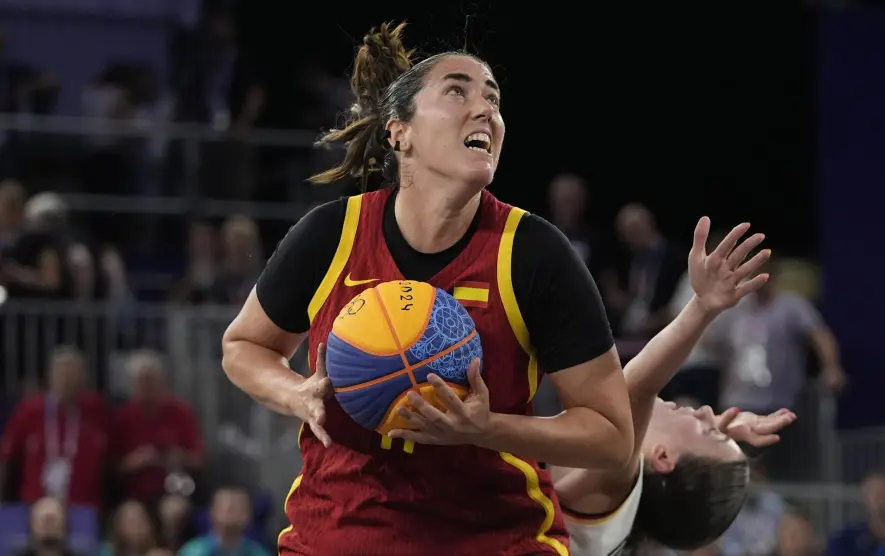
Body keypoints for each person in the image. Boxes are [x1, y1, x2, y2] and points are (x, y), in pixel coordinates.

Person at [221, 22, 633, 556]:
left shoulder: (532, 252)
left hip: (493, 540)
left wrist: (487, 428)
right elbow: (243, 346)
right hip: (340, 535)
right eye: (458, 91)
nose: (485, 110)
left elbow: (612, 437)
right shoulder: (332, 234)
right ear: (400, 132)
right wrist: (295, 393)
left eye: (493, 99)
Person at [553, 217, 796, 554]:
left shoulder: (613, 484)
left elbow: (635, 389)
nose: (705, 412)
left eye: (707, 430)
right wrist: (719, 429)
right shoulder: (615, 519)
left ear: (664, 457)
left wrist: (703, 306)